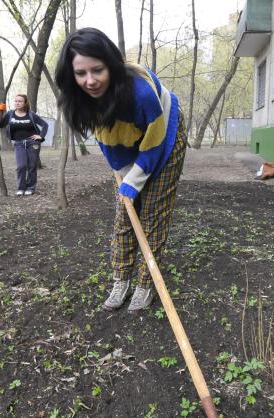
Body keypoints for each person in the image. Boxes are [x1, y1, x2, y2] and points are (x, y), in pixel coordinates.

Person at [55, 28, 187, 313]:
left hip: (164, 133)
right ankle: (121, 278)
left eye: (98, 70)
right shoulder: (80, 99)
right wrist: (126, 180)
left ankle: (145, 284)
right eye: (81, 73)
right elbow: (109, 144)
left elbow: (154, 143)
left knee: (152, 212)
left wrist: (136, 180)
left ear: (111, 65)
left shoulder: (140, 93)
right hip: (129, 138)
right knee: (125, 211)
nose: (90, 81)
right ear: (71, 75)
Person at [0, 95, 49, 196]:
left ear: (25, 103)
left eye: (20, 101)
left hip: (32, 143)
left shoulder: (31, 114)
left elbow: (45, 125)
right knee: (21, 166)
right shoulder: (10, 114)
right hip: (19, 143)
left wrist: (41, 136)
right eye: (15, 101)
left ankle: (31, 187)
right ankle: (21, 188)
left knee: (32, 166)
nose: (17, 103)